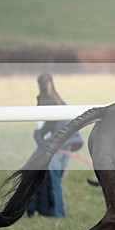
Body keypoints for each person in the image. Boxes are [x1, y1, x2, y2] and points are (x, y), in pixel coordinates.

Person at [26, 73, 83, 218]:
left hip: (57, 147)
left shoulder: (46, 103)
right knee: (54, 180)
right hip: (67, 146)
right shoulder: (60, 102)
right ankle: (51, 211)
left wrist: (40, 138)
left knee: (51, 180)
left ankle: (57, 213)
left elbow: (45, 128)